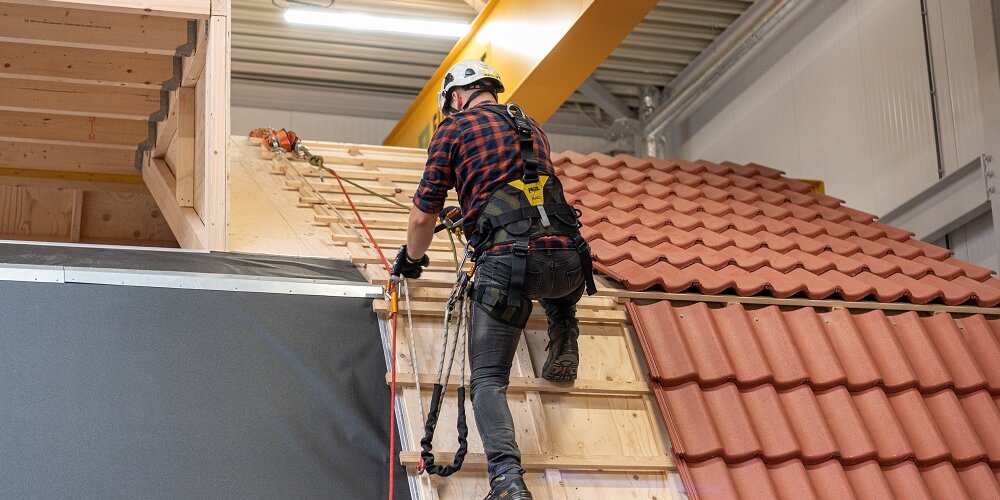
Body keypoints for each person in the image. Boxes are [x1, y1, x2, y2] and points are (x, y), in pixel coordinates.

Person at [393, 60, 596, 500]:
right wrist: (470, 214)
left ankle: (507, 482)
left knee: (488, 380)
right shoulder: (532, 126)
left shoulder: (454, 129)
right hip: (570, 264)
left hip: (509, 271)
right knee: (554, 261)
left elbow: (422, 214)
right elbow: (520, 189)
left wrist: (411, 260)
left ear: (457, 96)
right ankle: (564, 327)